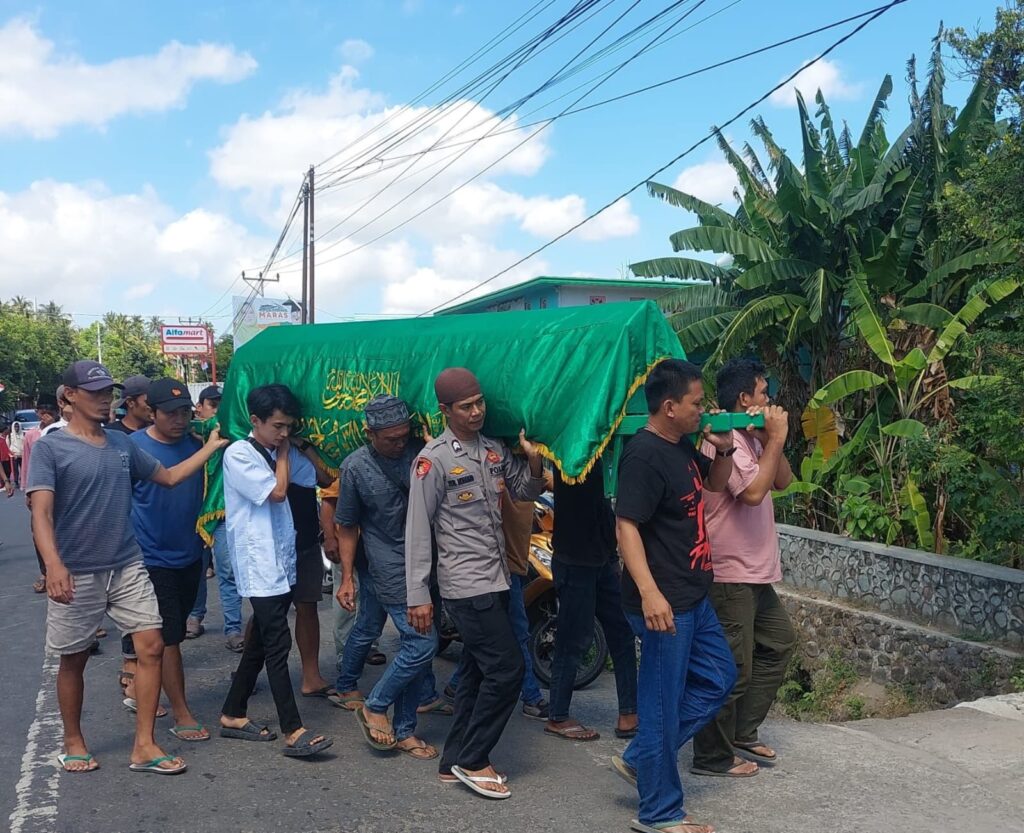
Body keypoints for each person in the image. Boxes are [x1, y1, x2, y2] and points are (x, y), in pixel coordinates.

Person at [28, 360, 227, 774]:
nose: (105, 399)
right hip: (77, 568)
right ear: (69, 396)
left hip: (127, 564)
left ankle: (145, 745)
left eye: (108, 392)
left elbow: (169, 477)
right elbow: (41, 515)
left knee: (152, 645)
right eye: (95, 392)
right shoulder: (52, 447)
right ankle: (73, 740)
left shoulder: (123, 446)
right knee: (74, 658)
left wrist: (209, 447)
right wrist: (53, 566)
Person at [612, 358, 741, 833]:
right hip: (663, 603)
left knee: (718, 678)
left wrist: (723, 450)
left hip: (693, 595)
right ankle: (659, 813)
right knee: (662, 705)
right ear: (669, 407)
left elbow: (712, 487)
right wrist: (649, 594)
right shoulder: (644, 455)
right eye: (695, 403)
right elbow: (626, 526)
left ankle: (643, 757)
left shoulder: (682, 445)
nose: (702, 410)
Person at [406, 367, 546, 799]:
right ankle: (474, 759)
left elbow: (522, 492)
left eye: (480, 402)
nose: (477, 411)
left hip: (498, 577)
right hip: (465, 585)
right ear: (445, 410)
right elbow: (417, 529)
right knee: (507, 670)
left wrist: (533, 458)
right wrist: (417, 595)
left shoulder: (492, 451)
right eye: (466, 406)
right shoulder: (433, 460)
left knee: (475, 673)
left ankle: (453, 762)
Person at [691, 358, 796, 778]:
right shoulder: (720, 439)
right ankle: (710, 756)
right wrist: (771, 438)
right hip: (729, 573)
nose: (768, 400)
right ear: (744, 398)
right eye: (763, 393)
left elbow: (783, 480)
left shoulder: (753, 439)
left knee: (780, 642)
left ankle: (742, 731)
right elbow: (752, 493)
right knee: (731, 669)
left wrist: (772, 439)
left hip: (756, 573)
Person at [219, 384, 332, 757]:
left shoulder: (278, 449)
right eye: (278, 426)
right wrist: (283, 453)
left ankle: (233, 714)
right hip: (259, 562)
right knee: (278, 644)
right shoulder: (240, 454)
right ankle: (293, 729)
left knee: (261, 643)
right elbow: (278, 492)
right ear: (256, 421)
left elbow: (318, 477)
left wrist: (304, 447)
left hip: (281, 561)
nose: (284, 433)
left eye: (289, 427)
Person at [333, 395, 439, 759]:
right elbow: (345, 525)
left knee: (378, 629)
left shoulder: (421, 453)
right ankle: (375, 704)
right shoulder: (355, 468)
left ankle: (404, 727)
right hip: (386, 563)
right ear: (370, 434)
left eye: (403, 436)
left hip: (425, 562)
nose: (399, 444)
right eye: (391, 439)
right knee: (421, 643)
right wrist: (346, 577)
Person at [129, 378, 212, 742]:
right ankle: (181, 712)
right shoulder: (134, 449)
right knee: (168, 639)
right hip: (150, 557)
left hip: (190, 553)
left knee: (171, 635)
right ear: (152, 412)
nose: (179, 420)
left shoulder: (196, 443)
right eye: (170, 413)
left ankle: (137, 683)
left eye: (184, 412)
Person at [545, 466, 638, 741]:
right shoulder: (574, 445)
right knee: (574, 639)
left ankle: (629, 713)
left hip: (604, 556)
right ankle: (558, 715)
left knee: (622, 634)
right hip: (574, 558)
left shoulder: (610, 448)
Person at [186, 384, 224, 639]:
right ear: (199, 408)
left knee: (226, 570)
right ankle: (190, 614)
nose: (219, 412)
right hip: (187, 508)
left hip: (217, 508)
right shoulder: (184, 433)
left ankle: (201, 617)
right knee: (193, 566)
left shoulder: (225, 431)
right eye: (214, 406)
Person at [22, 394, 61, 593]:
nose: (45, 416)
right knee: (39, 528)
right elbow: (27, 464)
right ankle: (45, 572)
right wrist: (28, 491)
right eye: (42, 413)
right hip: (39, 487)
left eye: (49, 413)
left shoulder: (61, 431)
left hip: (61, 490)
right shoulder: (31, 435)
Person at [9, 421, 24, 488]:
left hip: (22, 454)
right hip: (14, 455)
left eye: (17, 426)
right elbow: (8, 446)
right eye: (15, 426)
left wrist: (23, 453)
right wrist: (12, 454)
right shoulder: (10, 436)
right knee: (15, 469)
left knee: (23, 468)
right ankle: (16, 481)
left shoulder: (23, 434)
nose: (16, 428)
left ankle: (23, 481)